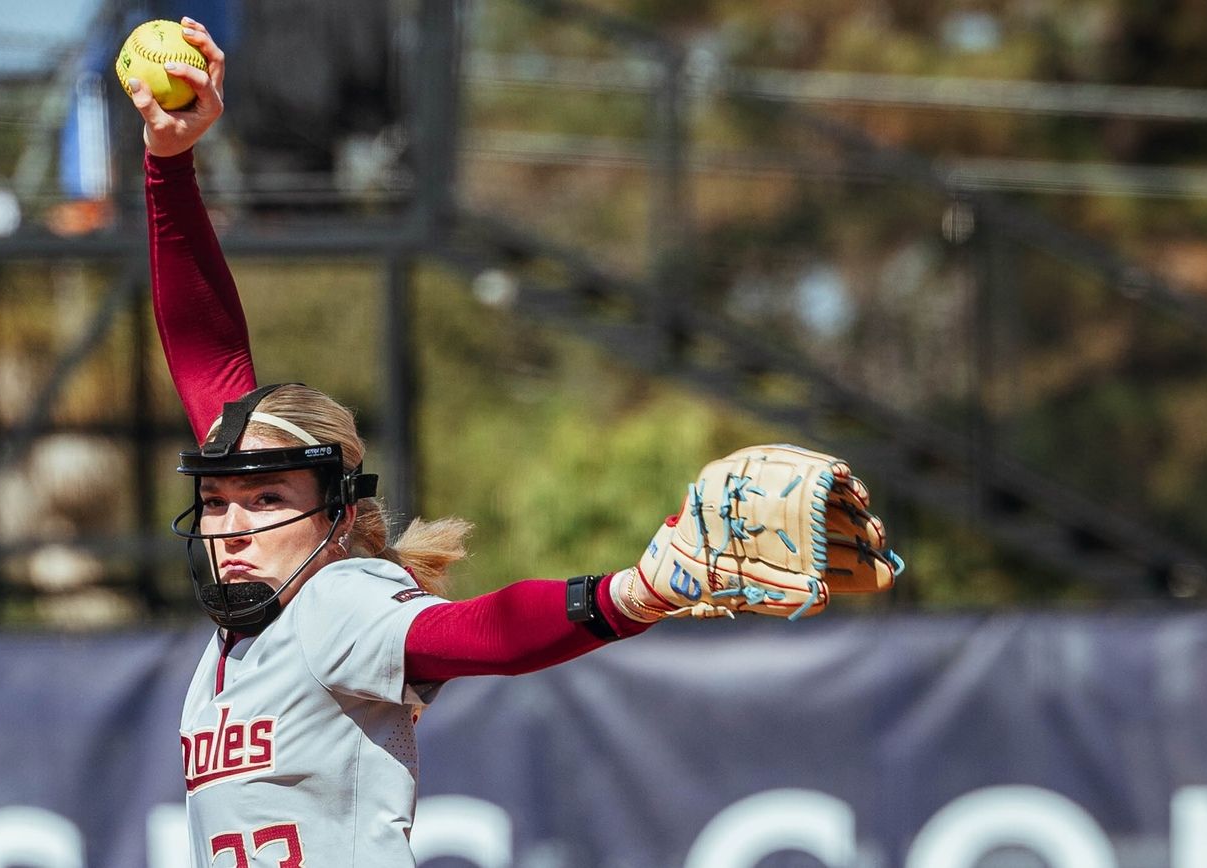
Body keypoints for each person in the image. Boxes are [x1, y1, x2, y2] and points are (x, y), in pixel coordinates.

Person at [126, 20, 899, 866]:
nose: (232, 525)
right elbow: (205, 355)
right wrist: (168, 161)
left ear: (337, 518)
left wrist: (632, 594)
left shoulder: (331, 606)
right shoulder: (248, 635)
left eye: (268, 499)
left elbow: (480, 633)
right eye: (214, 502)